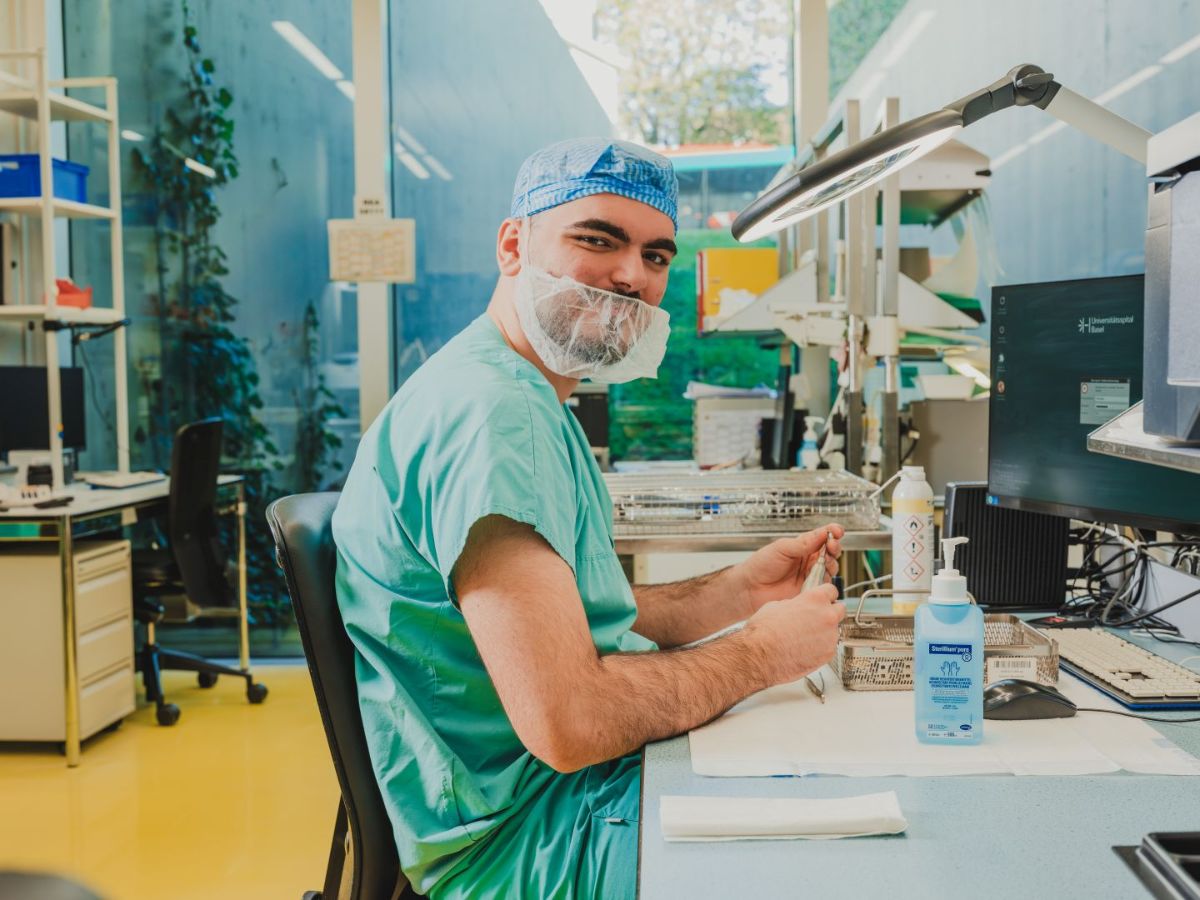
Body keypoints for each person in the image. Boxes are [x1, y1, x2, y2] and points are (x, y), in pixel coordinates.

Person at [333, 137, 846, 900]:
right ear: (514, 244)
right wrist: (761, 656)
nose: (632, 276)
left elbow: (567, 622)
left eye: (657, 255)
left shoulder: (525, 393)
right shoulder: (493, 419)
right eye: (597, 238)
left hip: (557, 799)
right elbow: (569, 720)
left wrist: (739, 591)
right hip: (529, 842)